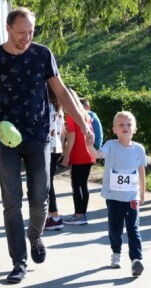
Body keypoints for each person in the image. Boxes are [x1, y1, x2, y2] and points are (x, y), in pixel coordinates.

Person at [0, 7, 95, 283]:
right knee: (11, 203)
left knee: (40, 200)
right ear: (8, 29)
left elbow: (62, 92)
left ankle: (35, 236)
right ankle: (18, 261)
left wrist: (84, 126)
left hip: (39, 137)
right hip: (7, 139)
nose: (26, 37)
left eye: (30, 32)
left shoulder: (42, 54)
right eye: (21, 33)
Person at [87, 111, 146, 277]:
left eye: (128, 124)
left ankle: (136, 259)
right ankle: (116, 253)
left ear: (134, 129)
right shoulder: (111, 145)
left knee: (133, 228)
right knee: (115, 228)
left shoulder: (139, 149)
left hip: (132, 196)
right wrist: (89, 145)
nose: (125, 127)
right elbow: (97, 155)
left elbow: (141, 170)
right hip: (114, 197)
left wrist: (142, 192)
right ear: (114, 129)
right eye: (121, 125)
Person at [62, 88, 96, 225]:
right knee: (83, 185)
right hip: (88, 154)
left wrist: (66, 156)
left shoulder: (71, 115)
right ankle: (83, 214)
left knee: (76, 186)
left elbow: (72, 136)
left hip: (78, 154)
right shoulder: (86, 114)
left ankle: (78, 215)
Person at [44, 88, 65, 231]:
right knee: (48, 181)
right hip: (56, 146)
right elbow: (63, 131)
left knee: (46, 182)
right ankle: (51, 215)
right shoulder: (58, 107)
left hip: (47, 146)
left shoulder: (46, 106)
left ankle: (54, 215)